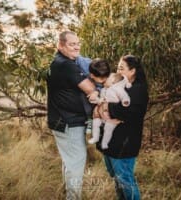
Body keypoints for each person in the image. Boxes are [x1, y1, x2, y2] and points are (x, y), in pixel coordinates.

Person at [46, 31, 96, 200]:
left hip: (61, 120)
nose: (76, 47)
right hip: (68, 122)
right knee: (76, 164)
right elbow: (90, 88)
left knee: (70, 162)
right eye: (71, 44)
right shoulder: (66, 64)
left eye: (78, 43)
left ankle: (67, 194)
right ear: (60, 45)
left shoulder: (59, 62)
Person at [96, 55, 149, 200]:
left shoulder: (138, 90)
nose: (117, 71)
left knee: (125, 180)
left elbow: (125, 112)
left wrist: (106, 106)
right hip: (112, 143)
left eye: (121, 68)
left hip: (124, 144)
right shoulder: (119, 85)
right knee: (118, 180)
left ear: (132, 71)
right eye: (117, 67)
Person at [88, 72, 132, 149]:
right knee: (96, 122)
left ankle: (105, 143)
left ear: (113, 81)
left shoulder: (118, 89)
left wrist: (125, 101)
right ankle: (95, 137)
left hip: (111, 115)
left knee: (108, 129)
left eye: (107, 78)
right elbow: (101, 99)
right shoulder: (103, 90)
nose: (105, 79)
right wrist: (95, 100)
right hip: (102, 112)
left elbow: (124, 96)